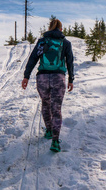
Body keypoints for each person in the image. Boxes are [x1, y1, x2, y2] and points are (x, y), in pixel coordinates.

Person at [22, 19, 74, 152]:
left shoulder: (42, 41)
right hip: (58, 77)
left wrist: (26, 76)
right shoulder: (65, 43)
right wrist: (71, 79)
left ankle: (49, 131)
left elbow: (33, 58)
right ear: (61, 29)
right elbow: (70, 62)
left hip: (42, 77)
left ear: (49, 28)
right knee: (56, 109)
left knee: (45, 104)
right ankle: (55, 141)